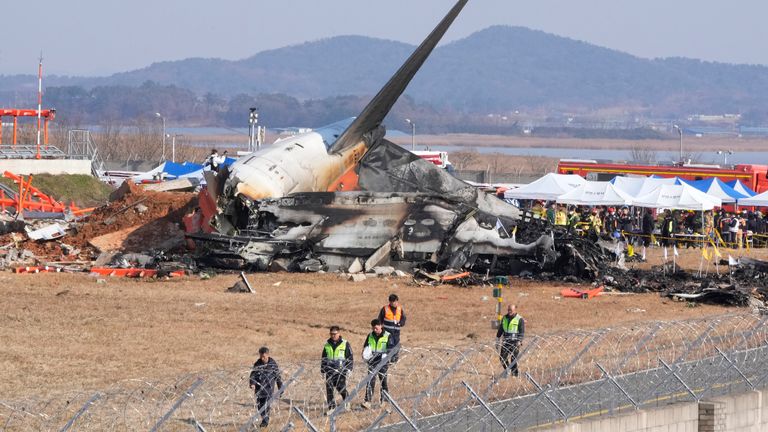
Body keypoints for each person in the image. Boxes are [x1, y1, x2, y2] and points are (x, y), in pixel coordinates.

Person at [361, 319, 395, 409]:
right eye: (373, 328)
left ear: (381, 326)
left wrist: (387, 357)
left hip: (383, 361)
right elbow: (366, 346)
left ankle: (384, 400)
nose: (374, 330)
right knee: (370, 380)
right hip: (372, 361)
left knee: (383, 380)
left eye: (376, 328)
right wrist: (365, 354)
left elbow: (391, 348)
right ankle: (367, 401)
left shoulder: (388, 336)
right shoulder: (370, 335)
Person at [321, 325, 353, 414]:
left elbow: (350, 357)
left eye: (335, 334)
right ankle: (332, 407)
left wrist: (349, 369)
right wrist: (322, 370)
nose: (333, 336)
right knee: (329, 389)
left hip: (341, 370)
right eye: (331, 334)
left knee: (341, 388)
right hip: (329, 370)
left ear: (339, 333)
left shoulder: (345, 343)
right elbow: (324, 358)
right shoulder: (327, 344)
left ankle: (347, 402)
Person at [249, 347, 283, 428]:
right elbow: (253, 375)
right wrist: (252, 383)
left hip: (269, 389)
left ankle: (265, 422)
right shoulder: (257, 364)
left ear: (268, 355)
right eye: (260, 356)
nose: (262, 358)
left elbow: (278, 377)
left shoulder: (272, 365)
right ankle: (265, 418)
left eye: (263, 356)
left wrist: (281, 388)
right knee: (260, 407)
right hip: (259, 389)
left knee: (266, 406)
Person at [496, 304, 525, 376]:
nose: (509, 311)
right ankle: (507, 370)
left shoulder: (519, 319)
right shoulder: (504, 318)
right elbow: (500, 330)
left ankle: (515, 374)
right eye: (508, 310)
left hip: (515, 342)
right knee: (502, 357)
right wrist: (497, 340)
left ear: (515, 310)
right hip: (506, 341)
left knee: (513, 359)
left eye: (511, 310)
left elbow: (521, 332)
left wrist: (519, 341)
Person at [378, 294, 406, 362]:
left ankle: (394, 359)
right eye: (394, 302)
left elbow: (403, 318)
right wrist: (380, 328)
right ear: (390, 302)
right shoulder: (385, 309)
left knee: (396, 345)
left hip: (396, 331)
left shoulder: (400, 309)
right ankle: (385, 359)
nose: (395, 303)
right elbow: (380, 319)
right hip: (387, 331)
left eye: (396, 301)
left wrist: (401, 323)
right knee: (388, 345)